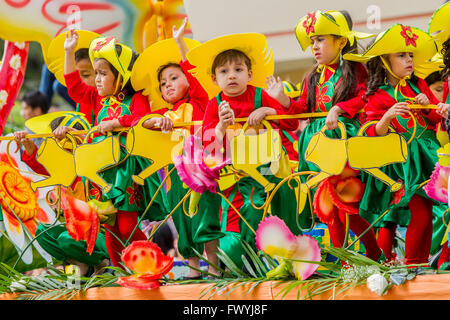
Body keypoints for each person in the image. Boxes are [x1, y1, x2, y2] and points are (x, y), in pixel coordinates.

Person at [266, 10, 383, 261]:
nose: (315, 46)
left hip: (344, 143)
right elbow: (303, 112)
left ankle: (373, 254)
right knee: (329, 207)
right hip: (318, 146)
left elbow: (366, 98)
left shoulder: (355, 70)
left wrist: (340, 108)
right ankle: (345, 261)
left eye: (320, 40)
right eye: (312, 41)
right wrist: (283, 99)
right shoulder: (313, 76)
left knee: (346, 203)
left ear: (341, 41)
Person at [186, 32, 300, 266]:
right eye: (224, 72)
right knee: (232, 219)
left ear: (249, 74)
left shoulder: (260, 95)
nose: (232, 76)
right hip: (232, 175)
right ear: (214, 79)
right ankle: (241, 262)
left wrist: (269, 111)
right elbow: (210, 148)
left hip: (265, 171)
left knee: (256, 206)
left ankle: (265, 258)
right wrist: (221, 126)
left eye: (238, 70)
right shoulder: (213, 105)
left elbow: (292, 123)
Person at [62, 29, 168, 268]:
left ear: (120, 75)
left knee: (128, 226)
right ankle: (121, 273)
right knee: (109, 226)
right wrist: (69, 51)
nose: (97, 79)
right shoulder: (98, 98)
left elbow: (140, 118)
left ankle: (153, 266)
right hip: (102, 172)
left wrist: (116, 122)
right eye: (95, 73)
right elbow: (74, 88)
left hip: (126, 171)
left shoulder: (136, 98)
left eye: (103, 73)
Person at [349, 24, 448, 265]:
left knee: (431, 213)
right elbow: (371, 131)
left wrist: (428, 103)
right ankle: (414, 265)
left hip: (427, 156)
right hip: (403, 163)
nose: (409, 60)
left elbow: (436, 120)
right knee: (421, 214)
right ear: (384, 61)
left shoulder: (419, 85)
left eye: (410, 55)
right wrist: (387, 116)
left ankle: (420, 264)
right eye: (401, 55)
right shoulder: (378, 95)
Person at [134, 19, 223, 278]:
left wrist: (180, 43)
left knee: (205, 216)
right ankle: (194, 270)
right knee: (183, 221)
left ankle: (216, 268)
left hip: (202, 169)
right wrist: (155, 120)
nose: (168, 84)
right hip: (175, 175)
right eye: (163, 83)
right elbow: (142, 122)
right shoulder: (164, 112)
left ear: (186, 79)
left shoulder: (199, 101)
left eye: (174, 78)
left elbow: (193, 73)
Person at [13, 112, 110, 276]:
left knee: (66, 239)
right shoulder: (62, 168)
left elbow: (100, 148)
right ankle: (80, 264)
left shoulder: (94, 164)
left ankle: (103, 262)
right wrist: (27, 144)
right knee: (43, 233)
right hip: (75, 230)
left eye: (63, 144)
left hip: (102, 233)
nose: (56, 150)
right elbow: (41, 166)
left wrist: (80, 135)